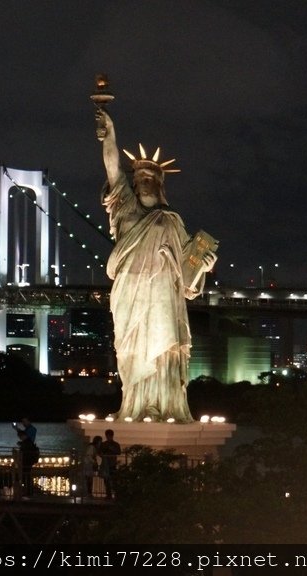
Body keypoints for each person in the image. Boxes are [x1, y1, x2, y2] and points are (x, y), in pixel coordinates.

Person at [96, 106, 217, 423]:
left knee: (163, 347)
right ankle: (135, 406)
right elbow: (112, 169)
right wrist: (109, 134)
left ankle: (163, 406)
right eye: (138, 178)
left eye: (149, 177)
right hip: (130, 294)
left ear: (160, 183)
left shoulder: (172, 221)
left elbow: (187, 278)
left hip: (164, 295)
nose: (143, 182)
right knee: (132, 348)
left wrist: (203, 265)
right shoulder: (126, 211)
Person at [17, 430, 40, 499]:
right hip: (29, 462)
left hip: (27, 462)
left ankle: (28, 492)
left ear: (23, 436)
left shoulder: (27, 443)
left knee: (26, 476)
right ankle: (28, 491)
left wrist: (21, 446)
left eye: (20, 437)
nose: (20, 438)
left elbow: (25, 450)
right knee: (27, 476)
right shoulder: (29, 442)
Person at [99, 428, 121, 499]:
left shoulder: (115, 444)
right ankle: (109, 494)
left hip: (112, 464)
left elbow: (118, 452)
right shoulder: (104, 444)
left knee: (113, 479)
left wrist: (112, 449)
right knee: (106, 480)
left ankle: (115, 493)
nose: (108, 437)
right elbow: (100, 452)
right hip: (106, 463)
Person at [82, 435, 102, 500]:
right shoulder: (92, 447)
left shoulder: (92, 447)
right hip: (88, 465)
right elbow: (89, 456)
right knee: (89, 479)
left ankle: (89, 493)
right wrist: (94, 462)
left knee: (89, 479)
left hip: (88, 465)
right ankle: (89, 493)